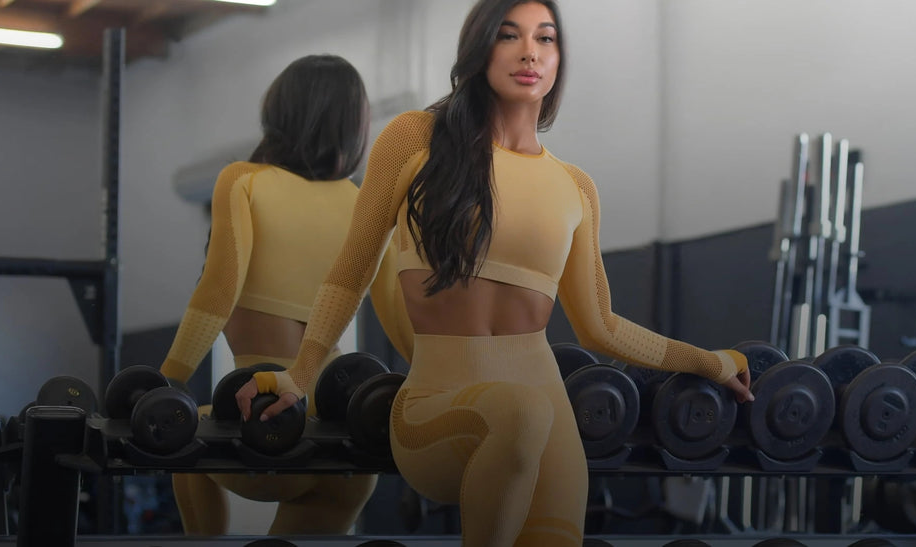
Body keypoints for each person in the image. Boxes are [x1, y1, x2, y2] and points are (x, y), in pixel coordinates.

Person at [234, 1, 754, 546]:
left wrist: (709, 362)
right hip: (437, 411)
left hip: (545, 417)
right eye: (511, 36)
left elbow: (600, 325)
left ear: (559, 61)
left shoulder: (575, 186)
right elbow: (351, 271)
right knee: (519, 412)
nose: (530, 51)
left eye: (546, 39)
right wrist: (301, 372)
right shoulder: (415, 139)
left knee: (532, 417)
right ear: (480, 48)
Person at [158, 54, 393, 536]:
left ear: (279, 111)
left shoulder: (243, 180)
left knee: (184, 438)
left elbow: (218, 291)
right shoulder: (362, 200)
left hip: (263, 423)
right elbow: (399, 309)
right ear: (354, 124)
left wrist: (162, 383)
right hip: (342, 429)